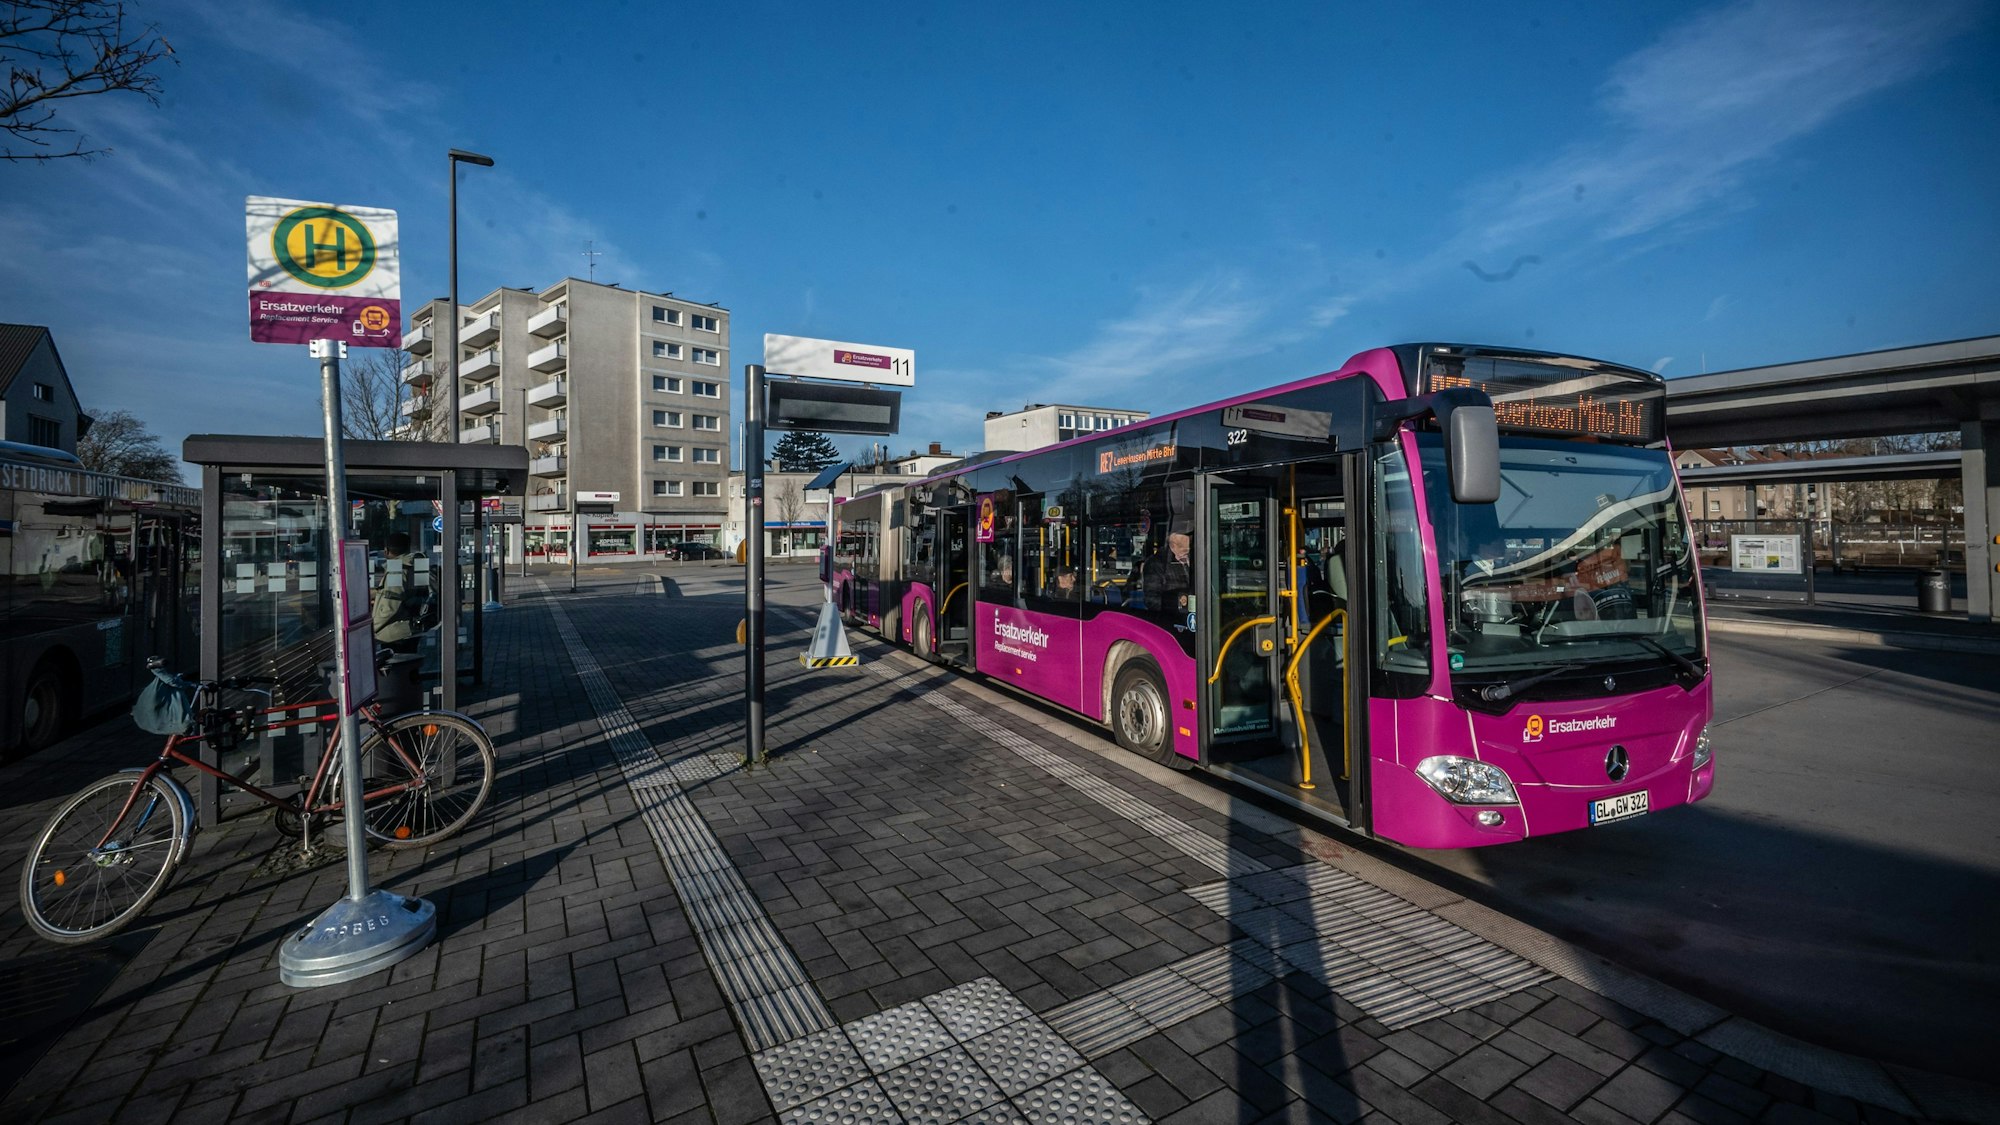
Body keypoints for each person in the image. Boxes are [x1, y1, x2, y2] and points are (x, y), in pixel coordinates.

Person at [372, 532, 421, 652]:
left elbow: (390, 607)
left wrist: (372, 628)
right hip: (409, 627)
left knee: (396, 668)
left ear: (386, 550)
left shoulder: (396, 571)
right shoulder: (413, 566)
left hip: (394, 633)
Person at [1143, 531, 1193, 611]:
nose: (1187, 552)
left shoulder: (1192, 557)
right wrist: (1180, 603)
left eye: (1189, 548)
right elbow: (1151, 599)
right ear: (1173, 546)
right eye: (1183, 550)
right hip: (1170, 616)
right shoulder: (1156, 563)